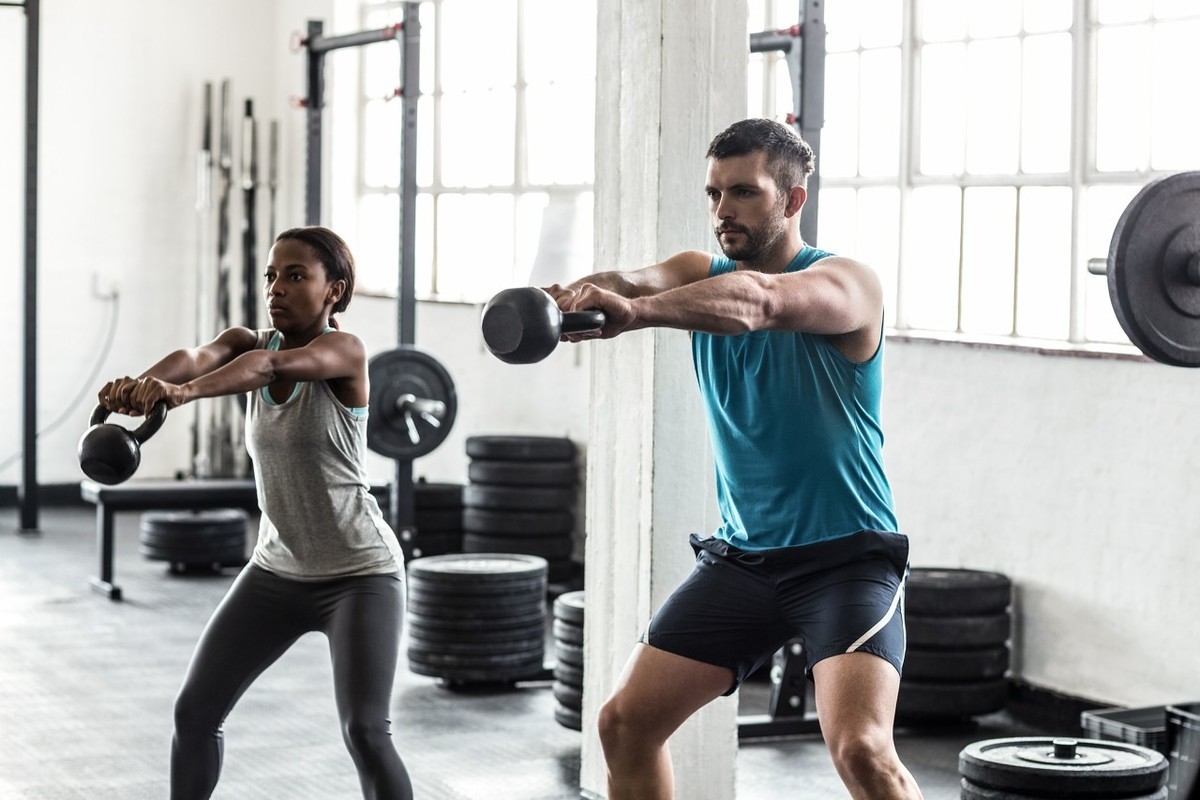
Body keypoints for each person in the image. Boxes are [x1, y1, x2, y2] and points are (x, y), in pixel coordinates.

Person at [543, 118, 922, 800]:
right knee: (624, 725)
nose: (723, 211)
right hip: (744, 562)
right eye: (715, 193)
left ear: (793, 200)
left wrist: (639, 310)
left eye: (744, 192)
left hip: (846, 560)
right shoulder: (695, 274)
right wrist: (560, 298)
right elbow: (630, 276)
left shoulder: (847, 283)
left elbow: (760, 303)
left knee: (862, 751)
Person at [96, 226, 413, 800]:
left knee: (365, 731)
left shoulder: (344, 353)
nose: (277, 287)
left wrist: (183, 396)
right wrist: (146, 384)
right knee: (194, 714)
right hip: (275, 572)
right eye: (272, 275)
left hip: (359, 575)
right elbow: (198, 357)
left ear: (333, 290)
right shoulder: (247, 340)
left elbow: (270, 370)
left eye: (296, 276)